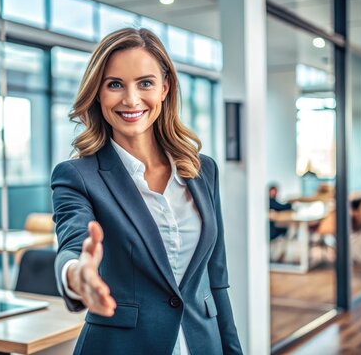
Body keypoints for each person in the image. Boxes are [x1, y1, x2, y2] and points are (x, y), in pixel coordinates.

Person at [51, 28, 242, 355]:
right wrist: (77, 275)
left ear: (165, 88)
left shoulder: (202, 170)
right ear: (98, 92)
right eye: (115, 84)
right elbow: (72, 246)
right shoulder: (76, 175)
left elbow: (216, 278)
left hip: (202, 345)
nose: (131, 99)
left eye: (145, 83)